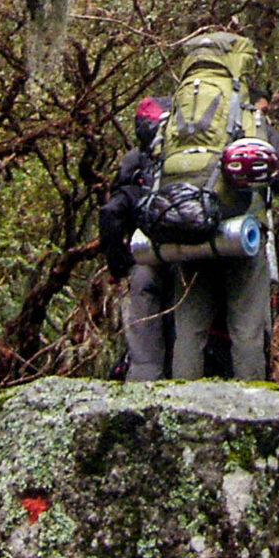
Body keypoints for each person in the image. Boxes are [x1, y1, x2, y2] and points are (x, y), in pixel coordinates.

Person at [166, 97, 279, 381]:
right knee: (247, 329)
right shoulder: (253, 122)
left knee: (189, 331)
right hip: (243, 234)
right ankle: (249, 401)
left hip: (191, 230)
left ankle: (182, 401)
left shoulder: (180, 121)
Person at [100, 98, 173, 381]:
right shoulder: (188, 159)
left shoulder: (134, 162)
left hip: (145, 260)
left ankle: (143, 383)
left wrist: (119, 265)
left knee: (144, 341)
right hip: (193, 261)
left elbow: (111, 213)